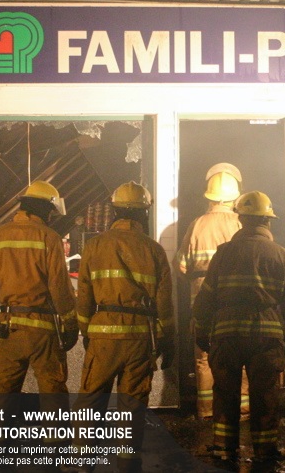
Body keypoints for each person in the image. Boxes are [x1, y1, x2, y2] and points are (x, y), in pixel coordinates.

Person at [192, 191, 285, 466]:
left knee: (225, 394)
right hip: (266, 338)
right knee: (265, 396)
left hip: (227, 337)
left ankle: (223, 449)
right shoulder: (280, 254)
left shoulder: (224, 253)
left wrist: (201, 330)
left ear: (241, 220)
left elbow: (206, 298)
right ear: (268, 220)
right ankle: (265, 452)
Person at [74, 181, 175, 473]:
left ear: (115, 211)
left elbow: (84, 295)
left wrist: (86, 331)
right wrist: (167, 338)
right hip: (140, 338)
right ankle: (128, 463)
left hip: (102, 336)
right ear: (144, 213)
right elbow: (164, 303)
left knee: (91, 400)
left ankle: (81, 463)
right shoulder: (154, 250)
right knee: (132, 404)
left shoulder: (94, 246)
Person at [0, 181, 78, 404]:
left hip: (8, 328)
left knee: (4, 390)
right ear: (43, 208)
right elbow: (60, 287)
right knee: (52, 389)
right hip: (43, 331)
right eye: (50, 211)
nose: (50, 217)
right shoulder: (49, 237)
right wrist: (71, 324)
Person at [174, 162, 244, 420]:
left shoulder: (197, 225)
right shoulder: (241, 224)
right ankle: (241, 410)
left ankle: (206, 410)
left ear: (209, 196)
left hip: (202, 303)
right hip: (234, 304)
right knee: (238, 356)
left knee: (204, 358)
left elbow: (181, 267)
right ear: (235, 197)